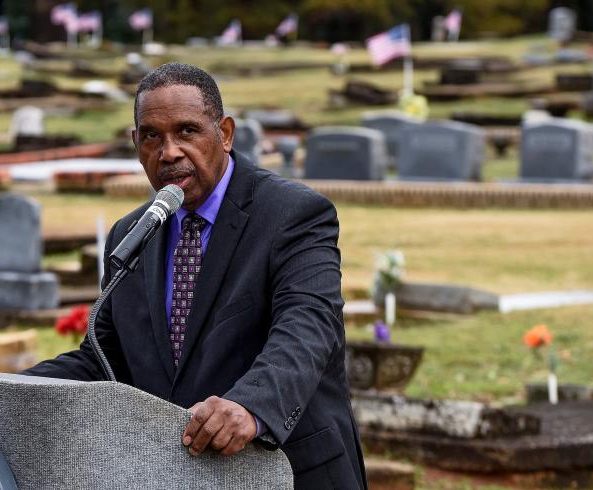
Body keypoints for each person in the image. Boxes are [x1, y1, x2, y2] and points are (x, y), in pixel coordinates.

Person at [24, 62, 367, 489]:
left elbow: (307, 328)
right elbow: (106, 358)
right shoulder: (130, 234)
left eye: (187, 131)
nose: (168, 152)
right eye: (151, 136)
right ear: (136, 143)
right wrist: (7, 389)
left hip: (287, 471)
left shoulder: (293, 215)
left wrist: (250, 406)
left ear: (223, 133)